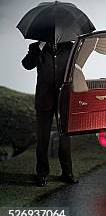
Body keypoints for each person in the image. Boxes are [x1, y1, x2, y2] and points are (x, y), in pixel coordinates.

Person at [22, 41, 77, 187]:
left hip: (63, 99)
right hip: (43, 99)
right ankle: (42, 174)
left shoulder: (70, 47)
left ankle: (67, 173)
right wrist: (39, 48)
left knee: (65, 139)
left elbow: (77, 67)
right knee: (43, 139)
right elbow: (27, 65)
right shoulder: (36, 47)